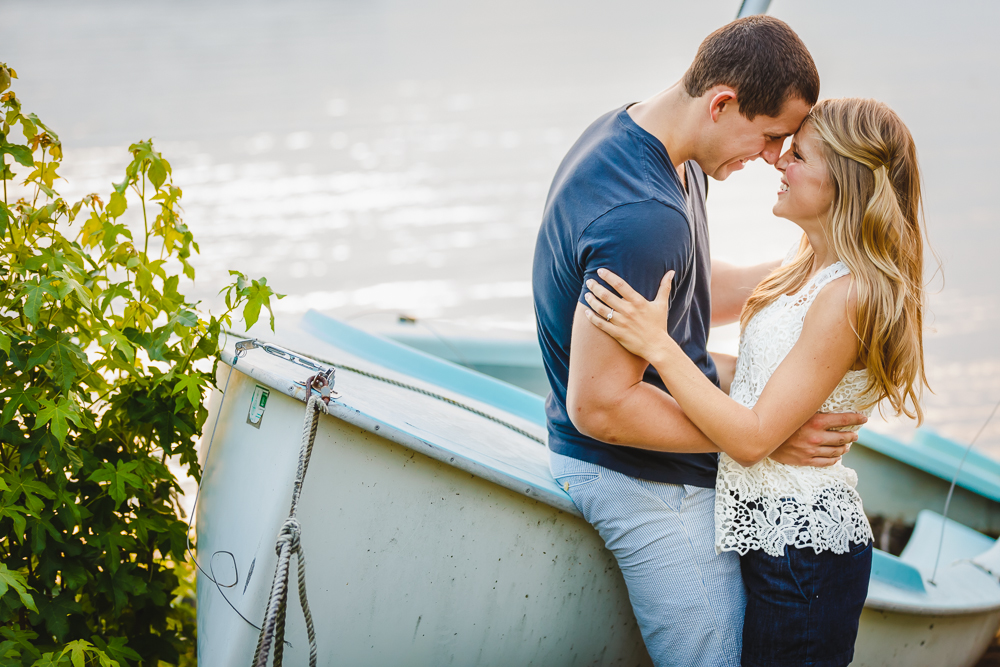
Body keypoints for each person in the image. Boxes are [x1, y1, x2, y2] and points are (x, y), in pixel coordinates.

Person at [531, 15, 865, 667]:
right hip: (646, 478)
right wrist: (762, 435)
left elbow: (679, 281)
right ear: (722, 104)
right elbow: (599, 405)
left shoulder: (641, 138)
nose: (774, 156)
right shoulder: (642, 215)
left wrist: (818, 276)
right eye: (770, 136)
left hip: (662, 449)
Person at [583, 97, 928, 666]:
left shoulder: (851, 295)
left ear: (845, 180)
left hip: (804, 553)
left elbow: (750, 437)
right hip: (766, 535)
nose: (780, 161)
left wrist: (658, 347)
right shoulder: (803, 267)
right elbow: (755, 377)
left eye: (801, 154)